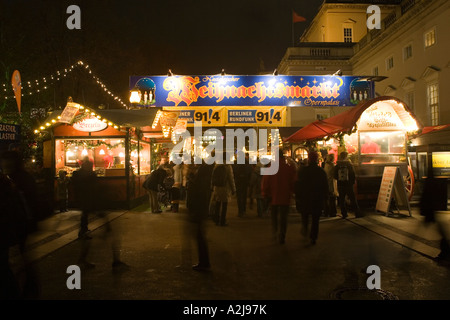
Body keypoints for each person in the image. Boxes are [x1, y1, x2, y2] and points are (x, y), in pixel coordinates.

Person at [262, 150, 296, 244]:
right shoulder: (289, 168)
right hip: (285, 196)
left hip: (273, 196)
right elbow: (293, 182)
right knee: (284, 217)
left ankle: (275, 231)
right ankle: (282, 235)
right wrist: (292, 192)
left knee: (274, 216)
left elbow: (265, 182)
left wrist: (265, 193)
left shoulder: (270, 168)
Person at [186, 161, 214, 271]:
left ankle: (204, 263)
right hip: (200, 211)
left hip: (198, 211)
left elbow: (196, 194)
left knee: (200, 237)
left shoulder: (201, 182)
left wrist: (191, 178)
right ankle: (204, 262)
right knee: (200, 236)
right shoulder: (205, 180)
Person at [296, 151, 329, 245]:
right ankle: (313, 237)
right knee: (315, 220)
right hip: (317, 199)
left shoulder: (303, 171)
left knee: (305, 216)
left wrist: (298, 196)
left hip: (305, 198)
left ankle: (305, 230)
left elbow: (298, 184)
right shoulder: (321, 171)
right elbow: (325, 186)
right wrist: (325, 198)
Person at [420, 166, 450, 262]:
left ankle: (445, 253)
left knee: (441, 231)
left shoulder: (429, 182)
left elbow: (426, 196)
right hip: (432, 210)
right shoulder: (435, 182)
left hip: (431, 210)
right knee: (441, 230)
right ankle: (445, 252)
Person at [72, 157, 97, 239]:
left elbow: (74, 184)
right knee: (85, 213)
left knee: (85, 213)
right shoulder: (90, 174)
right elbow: (94, 185)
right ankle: (83, 231)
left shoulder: (78, 173)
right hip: (86, 196)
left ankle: (84, 230)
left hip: (82, 196)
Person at [334, 151, 362, 218]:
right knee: (353, 199)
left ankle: (344, 214)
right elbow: (353, 174)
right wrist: (352, 182)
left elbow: (335, 176)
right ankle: (357, 213)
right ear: (346, 157)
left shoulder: (337, 165)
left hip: (341, 185)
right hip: (348, 185)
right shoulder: (349, 165)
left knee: (342, 200)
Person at [211, 153, 236, 226]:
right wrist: (233, 189)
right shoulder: (228, 166)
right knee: (224, 205)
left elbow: (213, 177)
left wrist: (212, 186)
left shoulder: (217, 165)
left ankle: (216, 219)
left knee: (217, 204)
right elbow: (231, 179)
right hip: (225, 187)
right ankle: (222, 221)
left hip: (217, 187)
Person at [233, 151, 252, 217]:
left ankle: (240, 211)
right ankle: (243, 210)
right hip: (245, 181)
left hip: (238, 181)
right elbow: (250, 172)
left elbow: (234, 172)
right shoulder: (247, 163)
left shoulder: (235, 163)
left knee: (239, 196)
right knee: (244, 196)